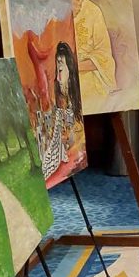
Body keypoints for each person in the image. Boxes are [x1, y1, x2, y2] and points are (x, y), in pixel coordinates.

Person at [45, 0, 117, 97]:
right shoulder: (44, 11)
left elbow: (104, 56)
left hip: (88, 84)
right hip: (53, 83)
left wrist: (73, 67)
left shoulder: (92, 10)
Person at [38, 42, 86, 181]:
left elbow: (73, 136)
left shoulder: (76, 99)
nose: (58, 78)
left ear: (70, 70)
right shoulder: (59, 98)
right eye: (57, 71)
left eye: (60, 71)